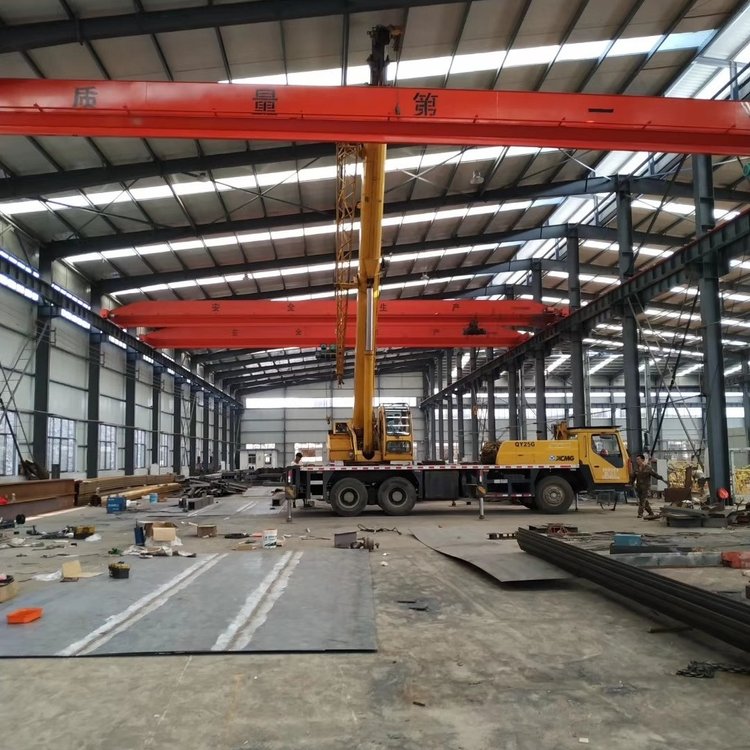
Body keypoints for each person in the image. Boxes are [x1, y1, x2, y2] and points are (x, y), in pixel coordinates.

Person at [630, 453, 665, 519]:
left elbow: (655, 474)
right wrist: (631, 483)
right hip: (639, 487)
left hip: (646, 487)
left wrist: (662, 479)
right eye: (636, 459)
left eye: (638, 459)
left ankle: (640, 513)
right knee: (644, 500)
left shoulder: (648, 468)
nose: (637, 461)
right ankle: (651, 512)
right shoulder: (636, 468)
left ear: (642, 460)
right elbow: (633, 477)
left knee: (642, 500)